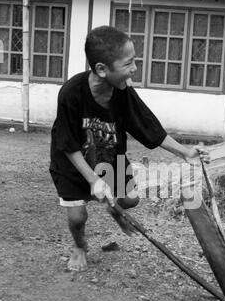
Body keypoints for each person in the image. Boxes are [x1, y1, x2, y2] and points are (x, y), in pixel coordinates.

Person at [50, 26, 208, 272]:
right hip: (73, 162)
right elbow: (68, 145)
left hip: (109, 157)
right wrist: (93, 180)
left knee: (129, 200)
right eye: (128, 64)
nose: (134, 69)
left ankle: (113, 208)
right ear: (102, 69)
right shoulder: (71, 94)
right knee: (77, 217)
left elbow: (146, 124)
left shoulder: (122, 92)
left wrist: (185, 152)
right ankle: (80, 246)